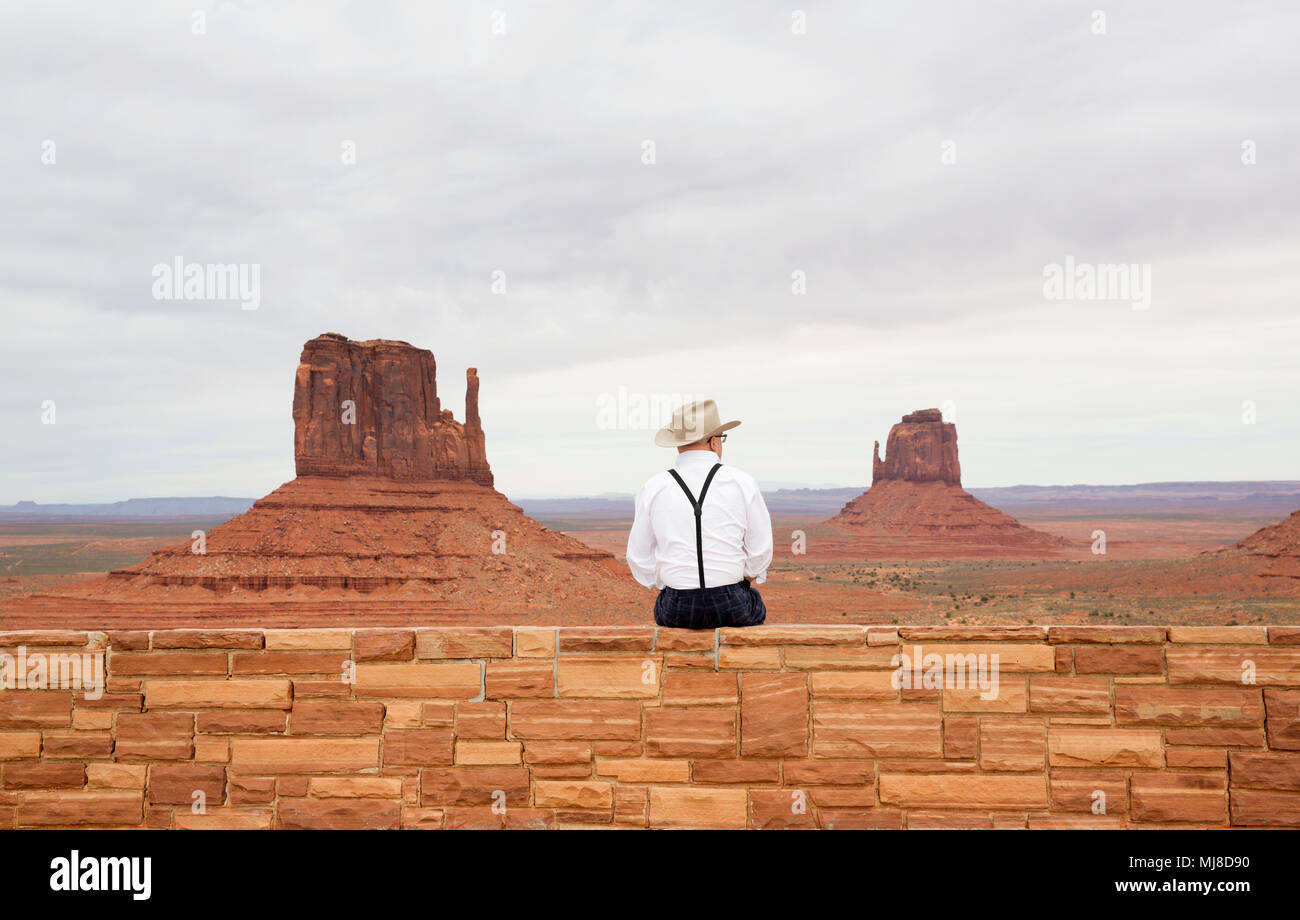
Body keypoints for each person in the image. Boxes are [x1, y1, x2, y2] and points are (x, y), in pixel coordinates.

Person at [626, 399, 772, 628]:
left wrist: (668, 581)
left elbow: (638, 556)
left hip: (676, 607)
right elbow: (761, 550)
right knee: (754, 602)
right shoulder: (742, 482)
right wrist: (739, 577)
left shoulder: (653, 487)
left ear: (677, 445)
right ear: (714, 442)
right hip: (732, 603)